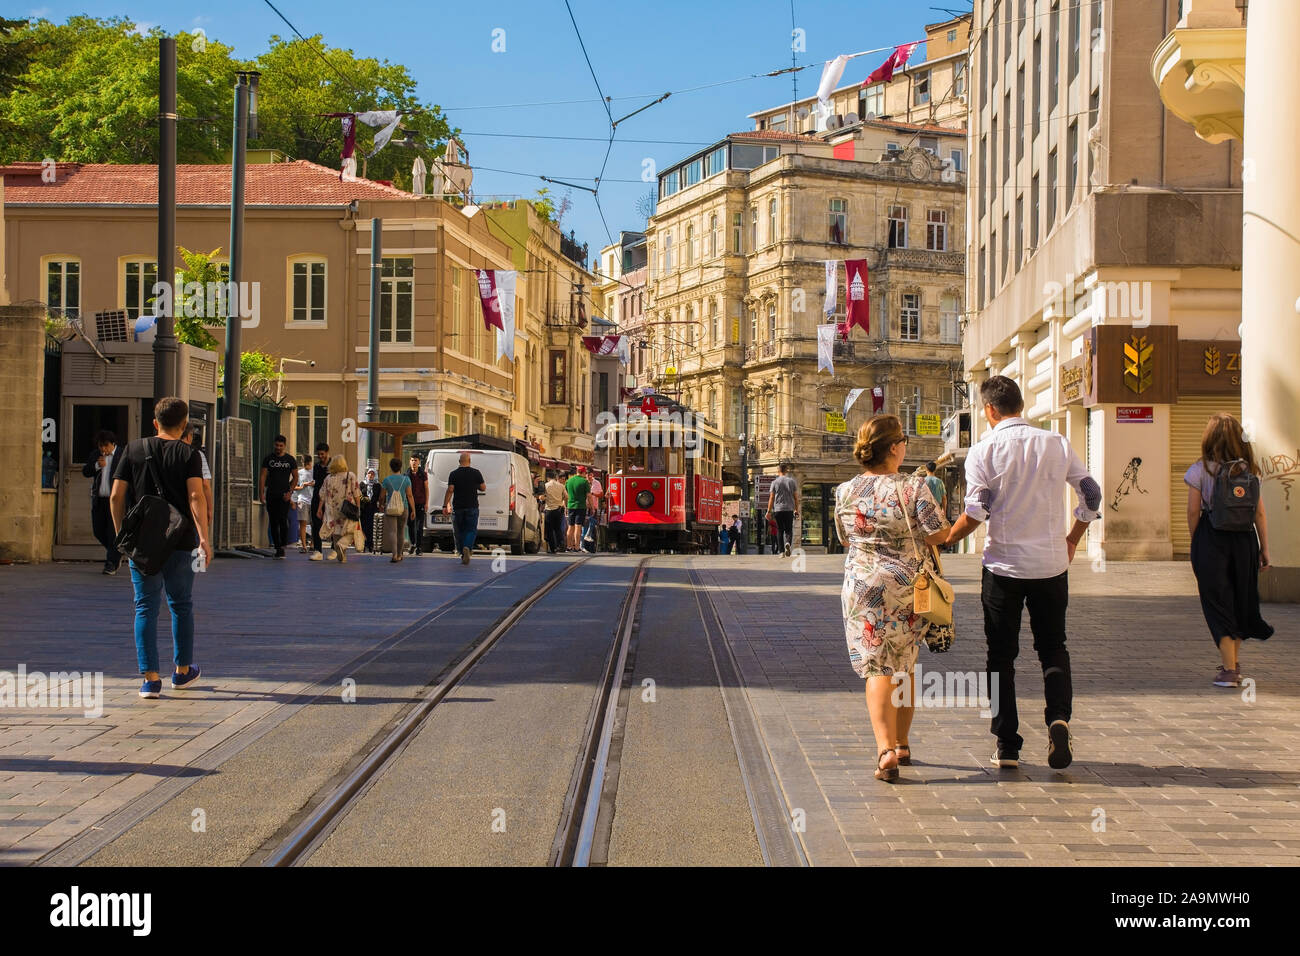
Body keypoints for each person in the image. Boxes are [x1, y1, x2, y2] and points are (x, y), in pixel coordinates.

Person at [945, 376, 1102, 771]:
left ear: (990, 411)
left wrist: (946, 538)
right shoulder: (1055, 443)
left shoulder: (983, 450)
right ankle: (1058, 719)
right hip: (1051, 564)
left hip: (1003, 567)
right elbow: (1092, 493)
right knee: (1053, 646)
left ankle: (1008, 744)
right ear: (1021, 404)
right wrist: (1072, 538)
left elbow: (977, 511)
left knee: (1001, 655)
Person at [834, 414, 950, 782]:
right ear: (896, 448)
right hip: (906, 590)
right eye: (904, 441)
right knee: (904, 662)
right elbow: (938, 535)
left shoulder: (845, 491)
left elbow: (845, 539)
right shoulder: (915, 489)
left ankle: (884, 749)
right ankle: (901, 742)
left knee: (876, 665)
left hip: (863, 587)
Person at [108, 397, 209, 699]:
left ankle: (150, 679)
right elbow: (195, 497)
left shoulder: (133, 450)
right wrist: (204, 537)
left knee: (145, 606)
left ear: (155, 422)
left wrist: (123, 537)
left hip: (143, 544)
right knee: (181, 604)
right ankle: (182, 671)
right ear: (184, 425)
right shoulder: (189, 454)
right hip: (182, 541)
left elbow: (115, 496)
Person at [1183, 413, 1273, 687]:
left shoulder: (1200, 470)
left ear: (1209, 438)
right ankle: (1232, 663)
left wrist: (1196, 541)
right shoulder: (1250, 470)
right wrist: (1264, 548)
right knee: (1238, 600)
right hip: (1244, 541)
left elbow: (1192, 511)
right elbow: (1259, 513)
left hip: (1212, 539)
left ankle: (1229, 670)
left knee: (1217, 602)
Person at [82, 429, 121, 574]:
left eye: (106, 446)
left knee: (113, 532)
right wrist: (97, 466)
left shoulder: (122, 455)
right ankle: (117, 552)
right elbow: (85, 472)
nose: (103, 449)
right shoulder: (96, 455)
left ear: (113, 444)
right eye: (100, 446)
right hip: (100, 499)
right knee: (98, 530)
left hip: (116, 500)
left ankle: (111, 563)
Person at [443, 452, 486, 565]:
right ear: (469, 461)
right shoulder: (476, 473)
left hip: (458, 507)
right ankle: (467, 547)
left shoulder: (453, 474)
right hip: (472, 506)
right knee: (471, 530)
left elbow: (450, 490)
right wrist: (475, 485)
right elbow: (483, 488)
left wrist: (445, 504)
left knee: (459, 531)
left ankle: (462, 552)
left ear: (459, 462)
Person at [259, 434, 297, 559]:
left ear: (284, 446)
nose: (278, 448)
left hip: (284, 495)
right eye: (277, 445)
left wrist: (290, 492)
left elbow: (296, 477)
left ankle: (283, 543)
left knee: (283, 519)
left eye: (281, 446)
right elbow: (263, 476)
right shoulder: (268, 459)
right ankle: (278, 548)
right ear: (274, 445)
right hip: (271, 494)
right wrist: (261, 493)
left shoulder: (290, 460)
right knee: (273, 521)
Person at [317, 455, 361, 564]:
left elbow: (322, 495)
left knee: (336, 531)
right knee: (351, 529)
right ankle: (342, 545)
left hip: (332, 508)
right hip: (347, 508)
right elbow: (356, 493)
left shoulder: (328, 478)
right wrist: (358, 508)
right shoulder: (350, 475)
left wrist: (319, 509)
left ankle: (342, 556)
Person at [180, 425, 213, 545]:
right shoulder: (196, 454)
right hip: (191, 512)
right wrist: (209, 509)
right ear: (189, 436)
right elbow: (205, 485)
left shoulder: (160, 450)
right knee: (195, 550)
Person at [378, 458, 415, 562]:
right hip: (404, 508)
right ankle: (400, 555)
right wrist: (413, 510)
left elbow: (382, 496)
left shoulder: (386, 480)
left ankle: (394, 555)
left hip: (390, 508)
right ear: (400, 467)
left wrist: (381, 505)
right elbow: (410, 495)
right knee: (401, 531)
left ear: (391, 467)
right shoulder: (406, 479)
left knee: (392, 532)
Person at [768, 464, 799, 558]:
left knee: (780, 530)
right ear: (786, 471)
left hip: (778, 509)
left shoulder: (774, 482)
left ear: (778, 471)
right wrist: (796, 509)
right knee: (789, 530)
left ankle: (781, 552)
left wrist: (768, 511)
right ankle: (788, 543)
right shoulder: (791, 482)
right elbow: (796, 498)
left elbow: (771, 497)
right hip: (789, 509)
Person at [308, 443, 330, 561]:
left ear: (327, 452)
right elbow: (316, 482)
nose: (320, 456)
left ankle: (334, 548)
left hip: (330, 499)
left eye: (322, 454)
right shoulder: (316, 466)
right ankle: (318, 550)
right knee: (316, 523)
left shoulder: (333, 465)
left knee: (332, 524)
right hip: (317, 497)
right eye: (319, 454)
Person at [565, 466, 591, 553]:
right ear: (583, 472)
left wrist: (565, 506)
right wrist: (592, 507)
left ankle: (568, 547)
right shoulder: (584, 482)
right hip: (580, 506)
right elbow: (589, 496)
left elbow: (565, 495)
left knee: (570, 527)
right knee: (578, 527)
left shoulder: (568, 481)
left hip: (570, 506)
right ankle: (576, 547)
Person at [406, 453, 428, 556]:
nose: (413, 462)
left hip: (420, 503)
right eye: (412, 460)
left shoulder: (423, 474)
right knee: (410, 525)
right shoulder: (406, 474)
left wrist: (426, 503)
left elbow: (426, 489)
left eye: (415, 460)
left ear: (419, 462)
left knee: (419, 526)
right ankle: (413, 543)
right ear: (409, 461)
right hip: (409, 504)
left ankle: (419, 547)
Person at [293, 455, 314, 553]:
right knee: (303, 524)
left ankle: (313, 544)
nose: (306, 465)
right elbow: (293, 486)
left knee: (315, 524)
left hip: (313, 500)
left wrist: (313, 484)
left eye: (307, 463)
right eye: (304, 463)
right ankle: (304, 546)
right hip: (302, 500)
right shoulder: (299, 473)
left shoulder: (314, 472)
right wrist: (302, 486)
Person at [544, 471, 567, 553]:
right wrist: (563, 503)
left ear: (548, 478)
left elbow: (543, 497)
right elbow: (567, 496)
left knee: (549, 530)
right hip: (559, 509)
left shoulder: (546, 485)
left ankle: (553, 548)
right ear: (555, 477)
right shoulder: (561, 486)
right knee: (558, 528)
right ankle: (561, 544)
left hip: (549, 510)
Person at [359, 468, 380, 554]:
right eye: (369, 474)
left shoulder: (377, 485)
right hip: (364, 509)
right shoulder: (362, 484)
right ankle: (363, 544)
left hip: (373, 509)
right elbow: (358, 495)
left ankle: (370, 544)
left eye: (372, 474)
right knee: (363, 526)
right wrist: (363, 499)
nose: (370, 475)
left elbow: (379, 497)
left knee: (372, 527)